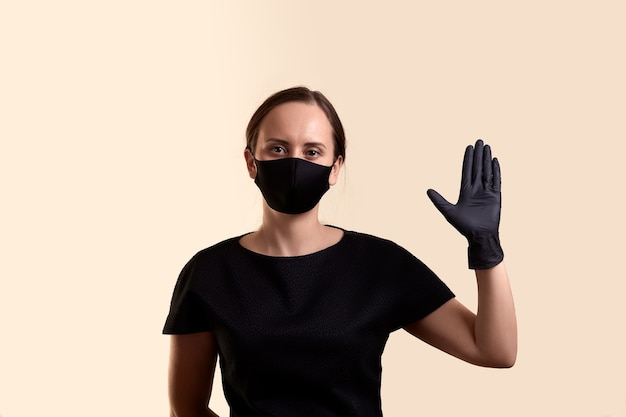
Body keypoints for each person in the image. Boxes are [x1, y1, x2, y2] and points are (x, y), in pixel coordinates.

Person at [163, 86, 517, 417]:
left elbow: (494, 351)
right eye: (278, 148)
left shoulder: (380, 265)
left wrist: (485, 245)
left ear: (334, 168)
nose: (295, 162)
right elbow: (186, 410)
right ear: (251, 162)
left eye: (312, 151)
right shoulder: (208, 272)